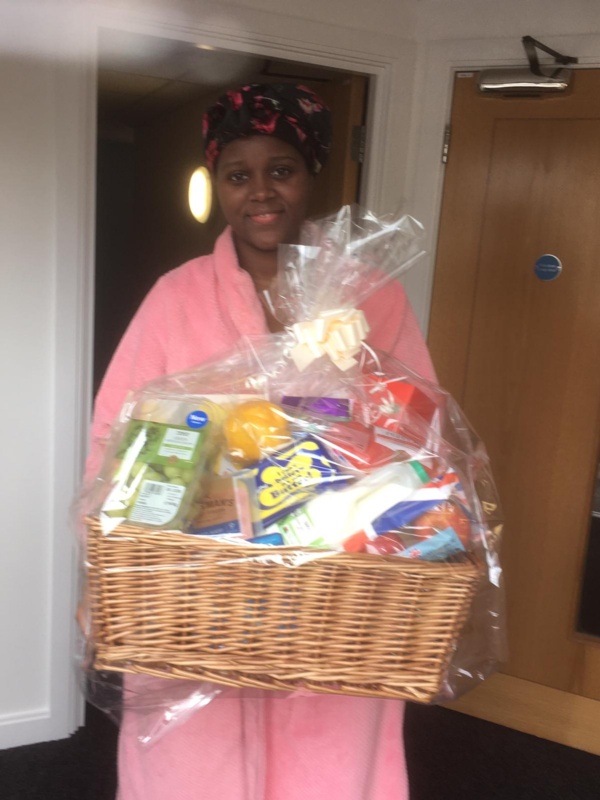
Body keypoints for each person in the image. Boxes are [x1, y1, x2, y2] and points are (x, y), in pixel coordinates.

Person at [87, 83, 436, 800]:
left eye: (280, 169)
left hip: (334, 588)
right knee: (195, 763)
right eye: (238, 175)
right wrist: (111, 564)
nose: (260, 193)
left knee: (330, 756)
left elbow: (416, 433)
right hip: (197, 591)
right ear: (217, 185)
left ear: (311, 176)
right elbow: (112, 437)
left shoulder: (373, 295)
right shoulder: (176, 295)